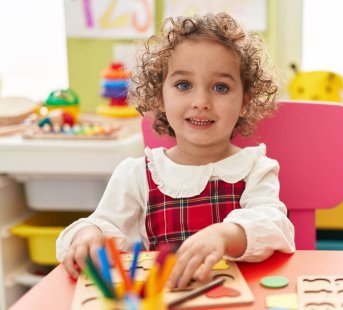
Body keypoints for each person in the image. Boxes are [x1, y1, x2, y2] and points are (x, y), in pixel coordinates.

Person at [56, 12, 295, 289]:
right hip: (163, 299)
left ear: (244, 101)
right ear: (160, 96)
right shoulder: (137, 175)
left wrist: (225, 235)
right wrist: (87, 236)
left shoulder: (255, 167)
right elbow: (103, 224)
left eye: (220, 87)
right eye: (184, 85)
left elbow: (272, 224)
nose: (201, 101)